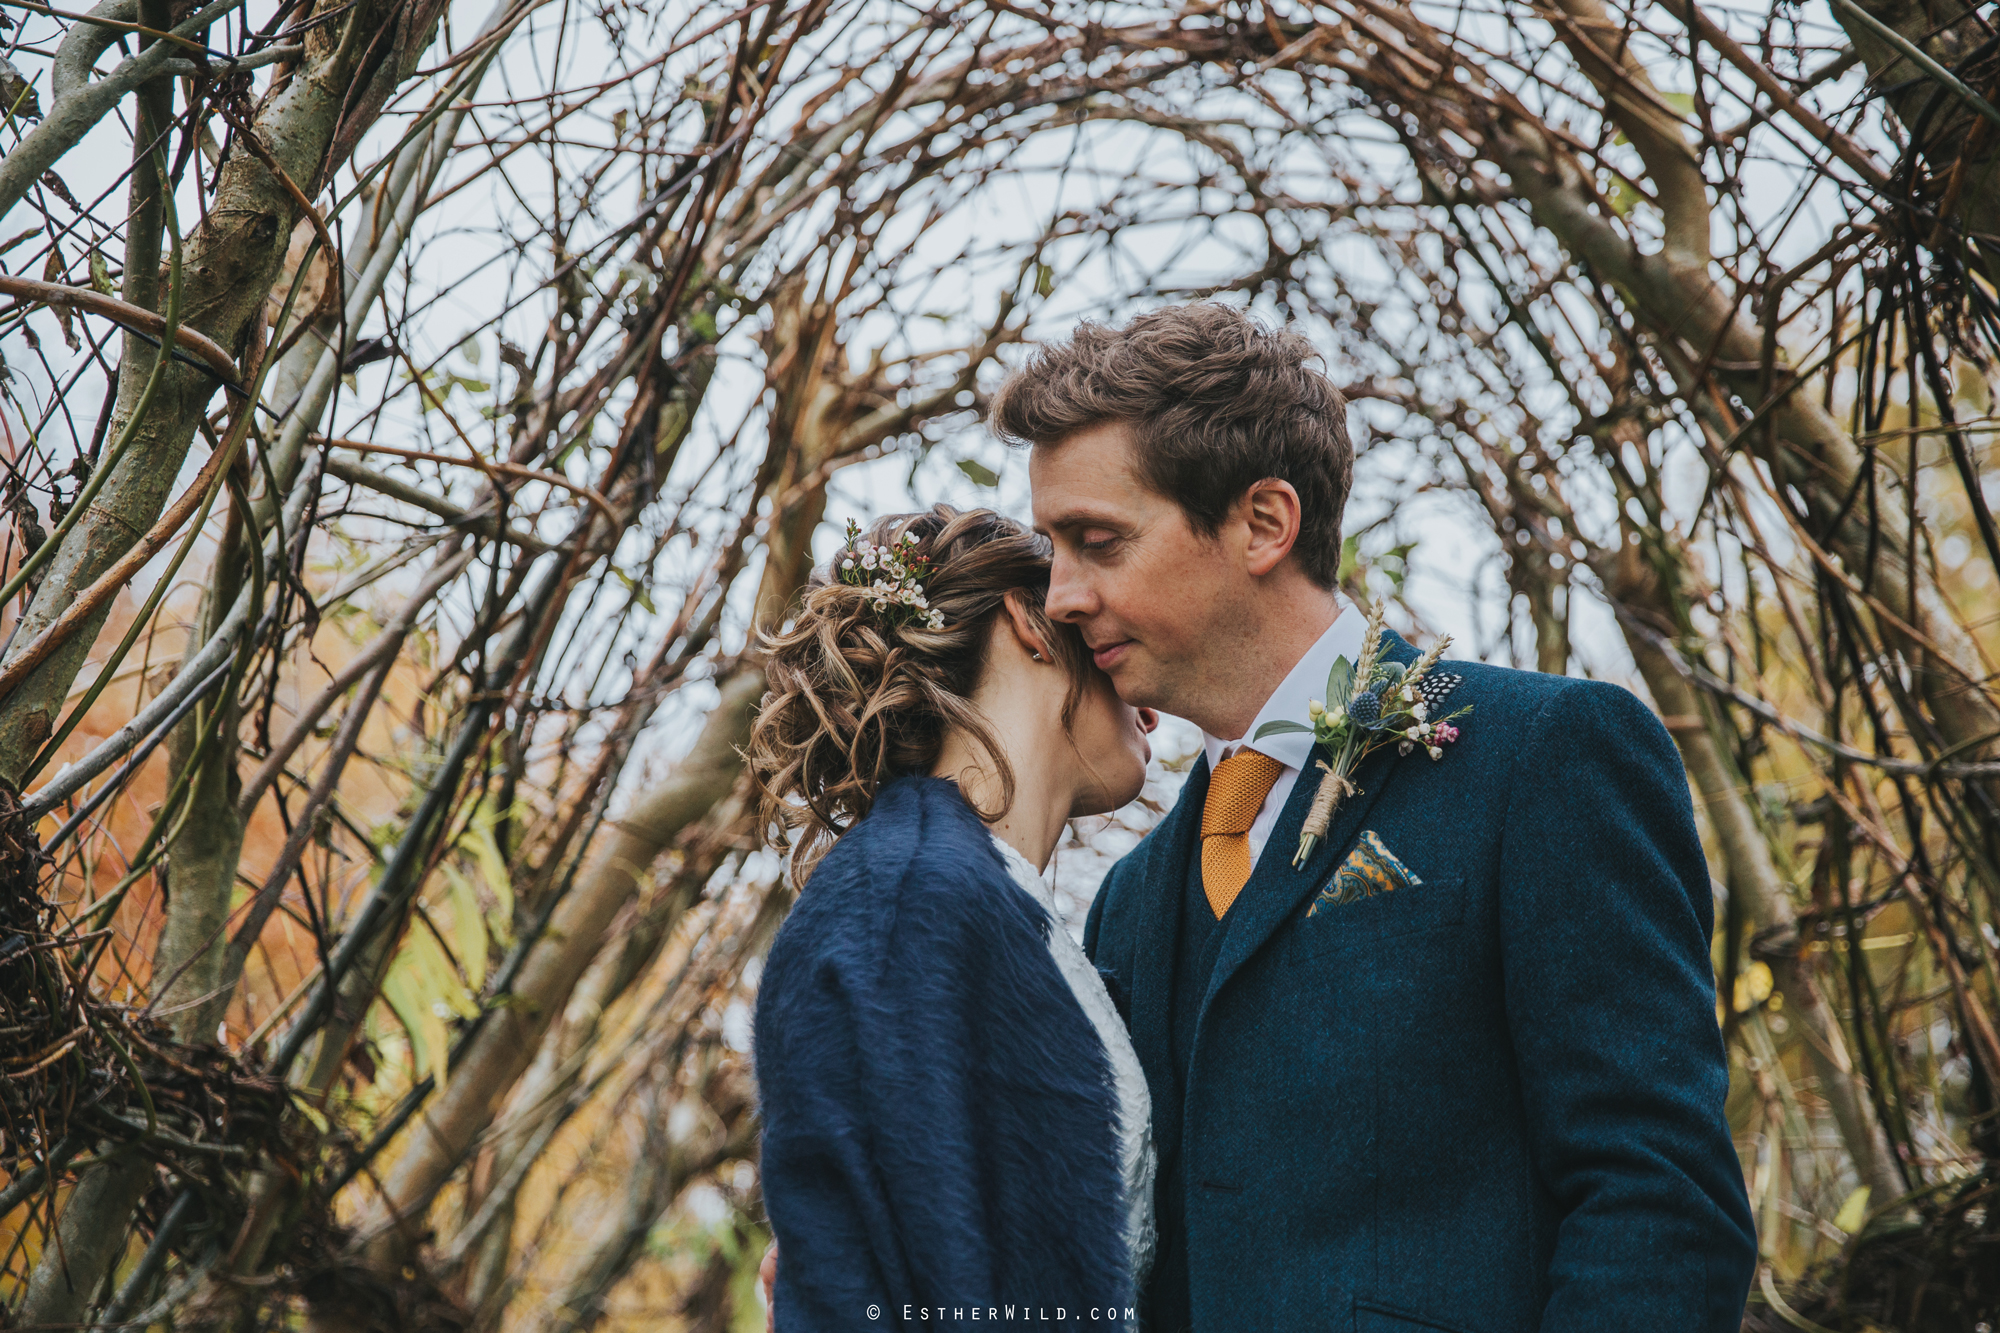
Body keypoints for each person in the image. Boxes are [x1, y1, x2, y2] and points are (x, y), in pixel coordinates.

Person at [984, 302, 1758, 1332]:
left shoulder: (1543, 757)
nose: (1062, 595)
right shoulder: (1128, 900)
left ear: (1263, 522)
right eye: (1051, 548)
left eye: (1096, 542)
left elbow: (1657, 1201)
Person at [748, 505, 1161, 1331]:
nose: (1146, 701)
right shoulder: (908, 906)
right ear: (1030, 623)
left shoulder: (979, 905)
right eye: (1098, 634)